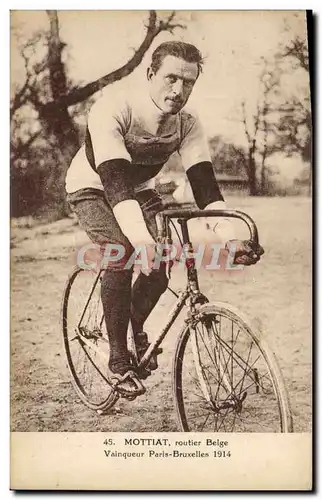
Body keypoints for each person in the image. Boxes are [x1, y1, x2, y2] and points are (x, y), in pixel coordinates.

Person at [65, 41, 264, 395]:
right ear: (150, 74)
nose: (179, 90)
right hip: (93, 185)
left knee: (162, 263)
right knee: (120, 251)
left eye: (188, 82)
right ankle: (118, 359)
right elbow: (115, 184)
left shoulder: (187, 123)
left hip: (139, 189)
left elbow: (206, 190)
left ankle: (133, 326)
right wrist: (142, 243)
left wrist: (231, 236)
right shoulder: (112, 108)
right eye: (171, 78)